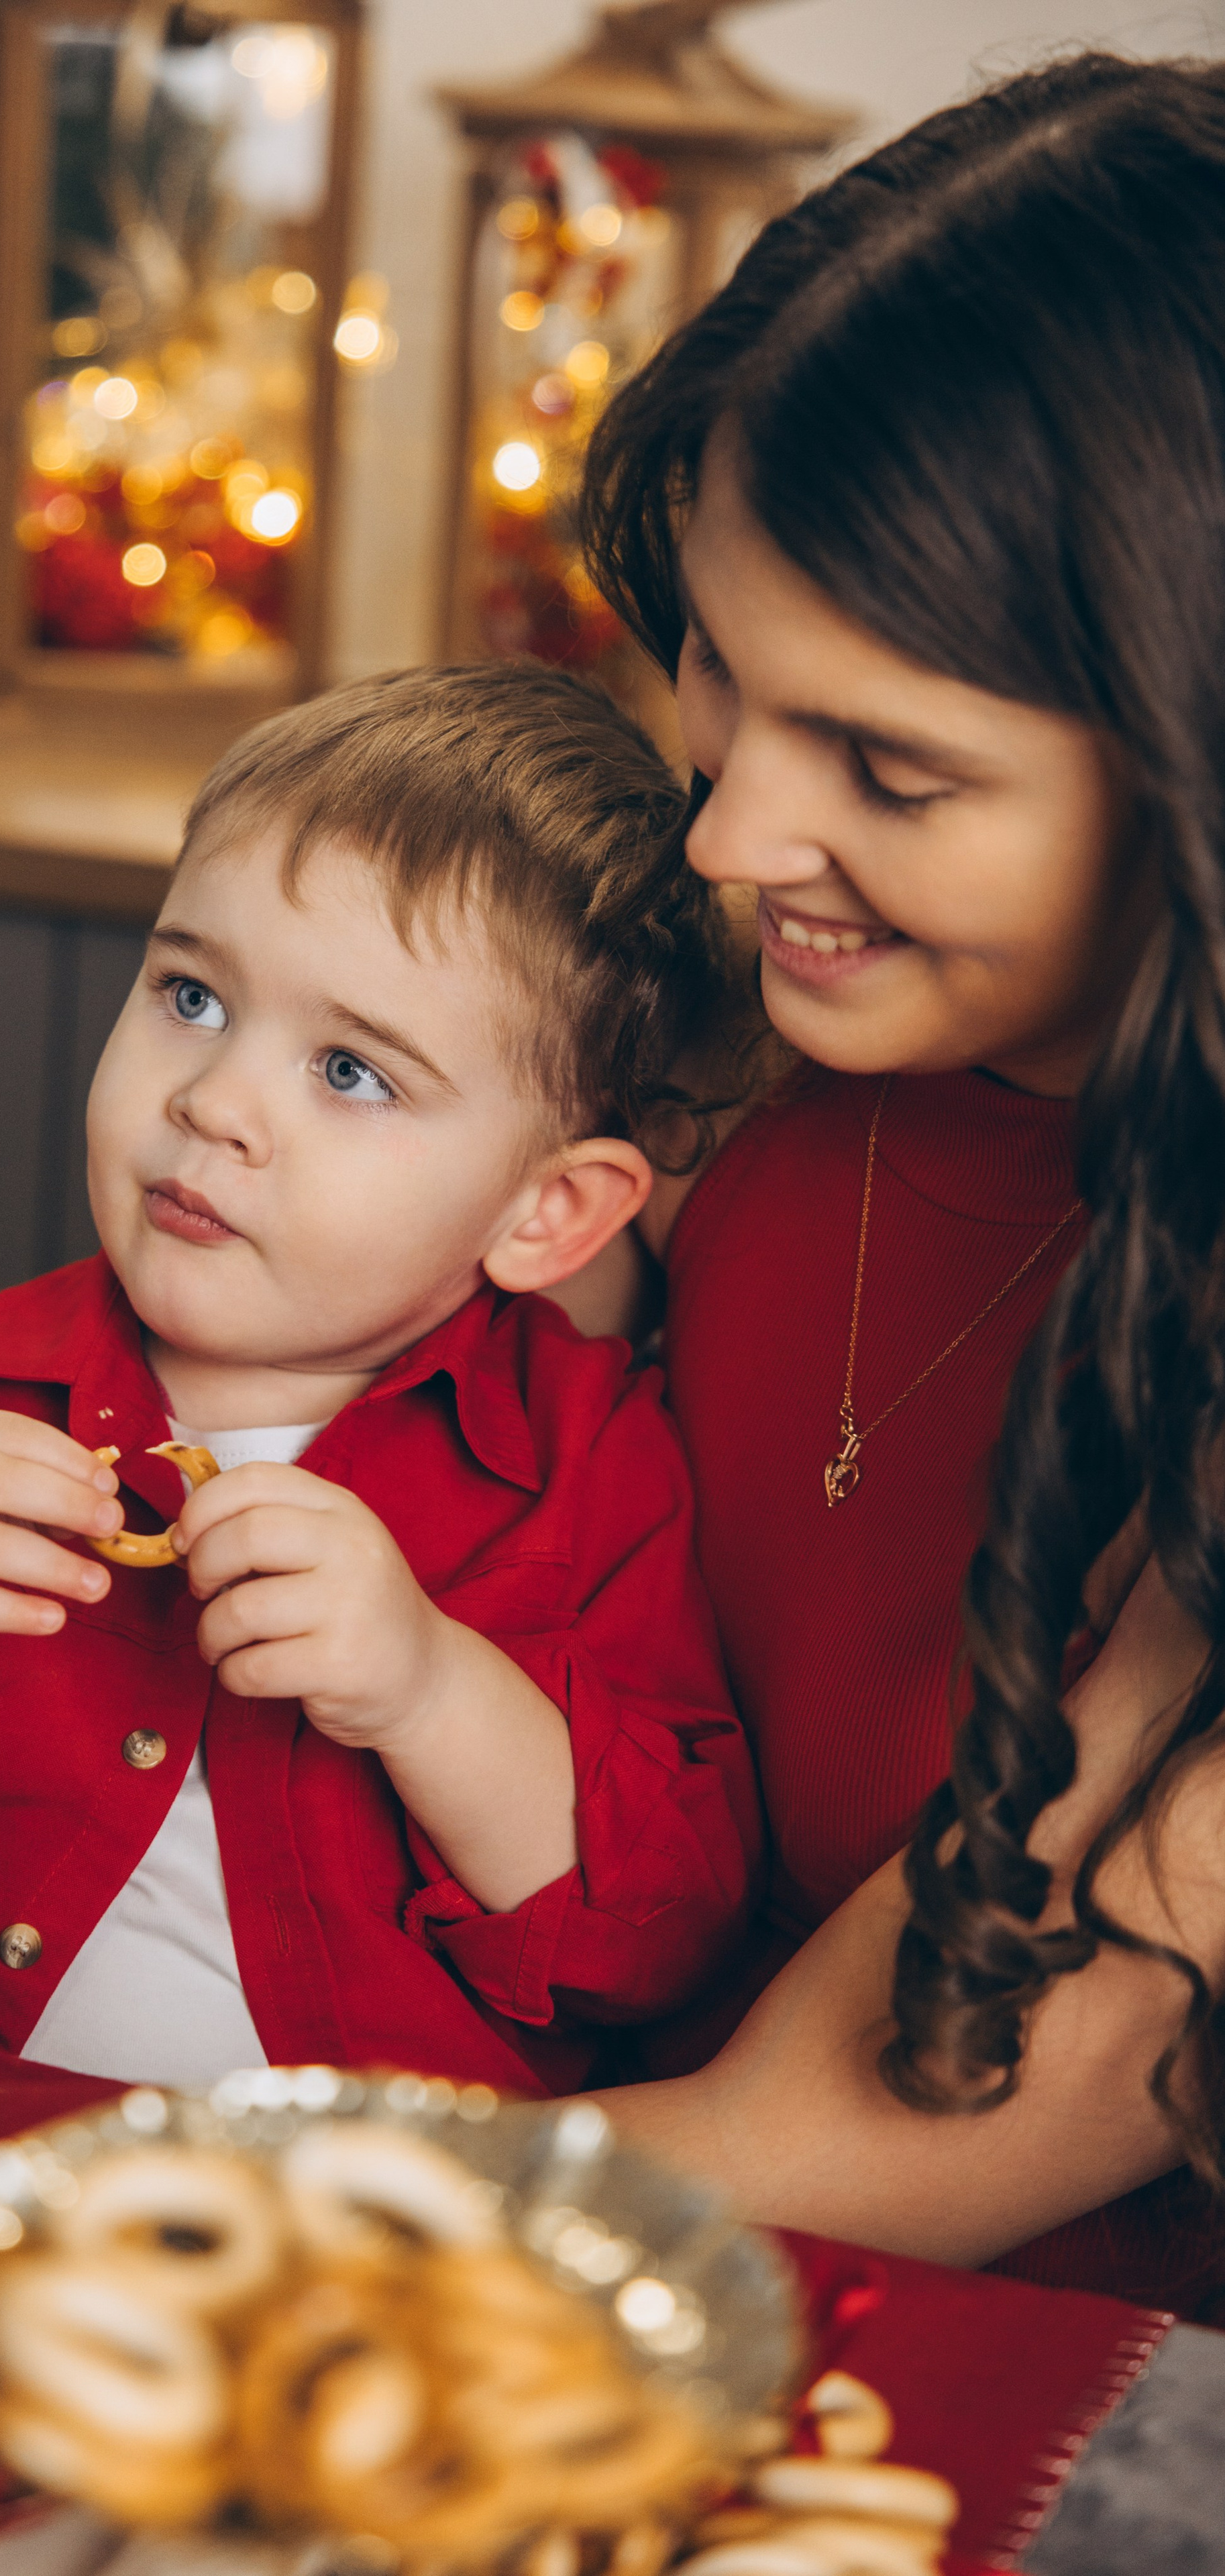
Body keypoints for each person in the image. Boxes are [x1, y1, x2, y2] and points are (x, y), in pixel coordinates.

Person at [0, 663, 759, 2096]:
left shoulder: (596, 1470)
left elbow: (653, 1949)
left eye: (351, 1072)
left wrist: (428, 1693)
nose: (212, 1101)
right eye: (190, 994)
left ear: (542, 1213)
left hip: (348, 2250)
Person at [563, 50, 1225, 2317]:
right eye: (725, 680)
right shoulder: (755, 1066)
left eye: (894, 769)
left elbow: (839, 2144)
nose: (735, 837)